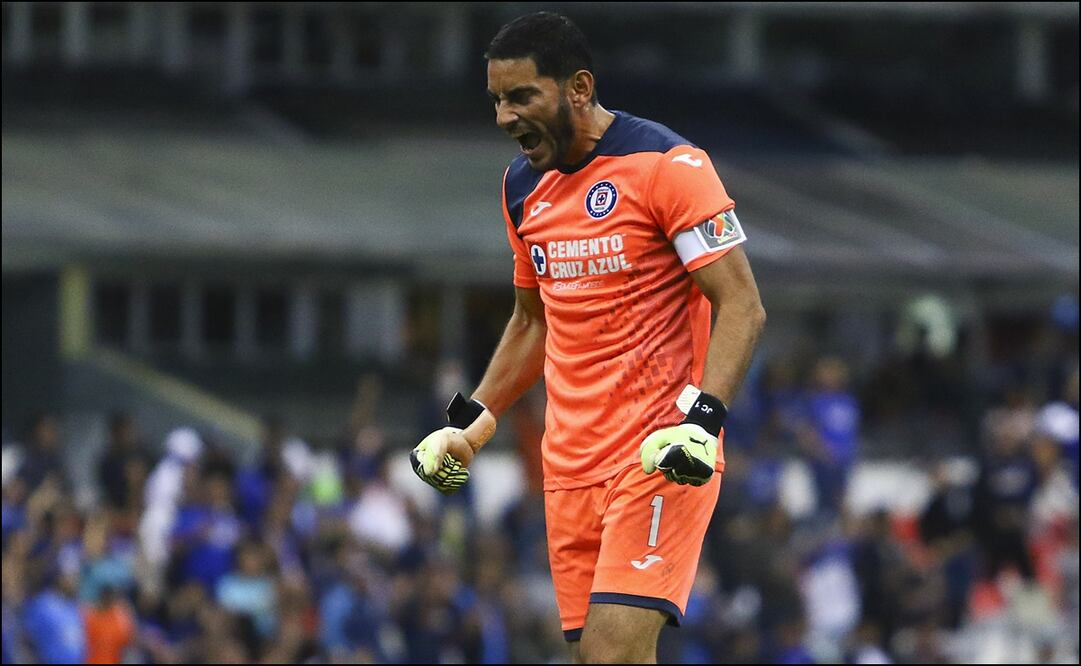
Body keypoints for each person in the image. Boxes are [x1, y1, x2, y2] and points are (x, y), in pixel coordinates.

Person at [410, 11, 765, 663]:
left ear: (577, 88)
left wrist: (701, 423)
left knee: (610, 654)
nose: (504, 117)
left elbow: (741, 304)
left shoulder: (667, 166)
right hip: (568, 470)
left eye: (521, 97)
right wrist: (469, 425)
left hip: (658, 456)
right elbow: (530, 322)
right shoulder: (522, 187)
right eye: (496, 100)